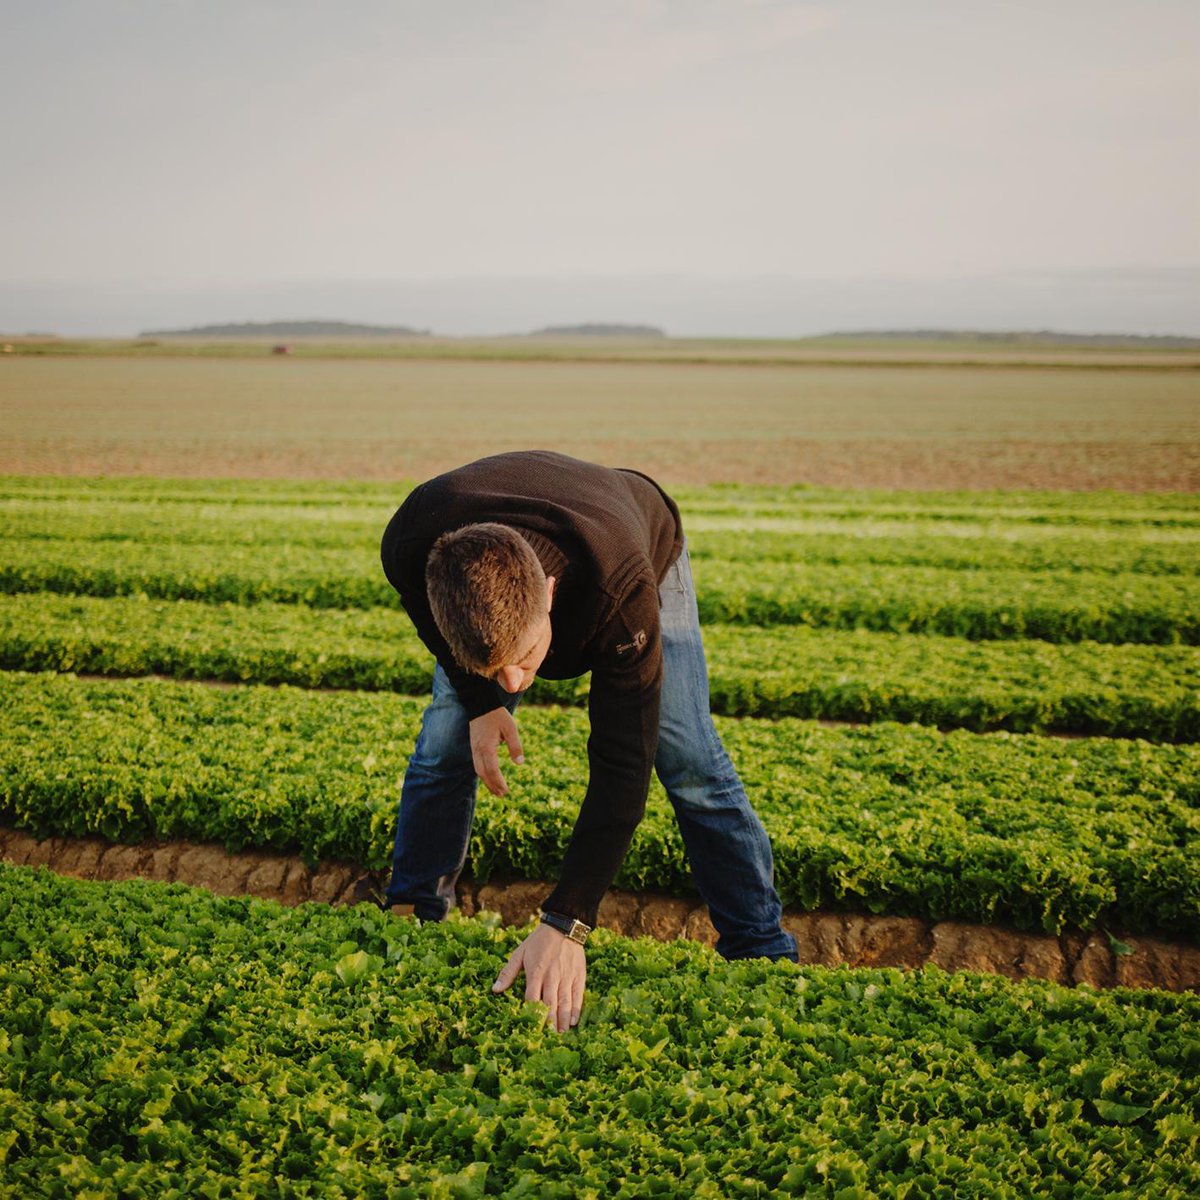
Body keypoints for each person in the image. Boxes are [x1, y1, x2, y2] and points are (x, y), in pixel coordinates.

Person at [379, 450, 798, 1033]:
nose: (514, 686)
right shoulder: (413, 542)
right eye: (496, 671)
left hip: (641, 537)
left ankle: (759, 945)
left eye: (524, 661)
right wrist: (480, 704)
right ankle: (414, 908)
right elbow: (435, 630)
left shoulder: (621, 593)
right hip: (500, 529)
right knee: (446, 742)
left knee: (687, 756)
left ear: (549, 594)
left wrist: (567, 920)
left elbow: (623, 763)